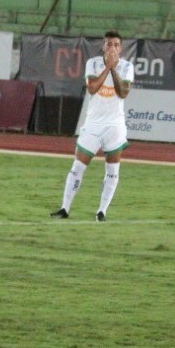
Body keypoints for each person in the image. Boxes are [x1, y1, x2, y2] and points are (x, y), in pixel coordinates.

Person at [50, 30, 135, 222]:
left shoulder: (127, 67)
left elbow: (123, 93)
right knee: (77, 167)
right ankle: (65, 208)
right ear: (103, 46)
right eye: (108, 44)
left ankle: (102, 211)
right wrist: (107, 68)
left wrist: (113, 69)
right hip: (93, 124)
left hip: (115, 125)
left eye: (115, 45)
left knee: (112, 170)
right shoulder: (93, 63)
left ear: (120, 48)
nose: (112, 47)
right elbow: (92, 88)